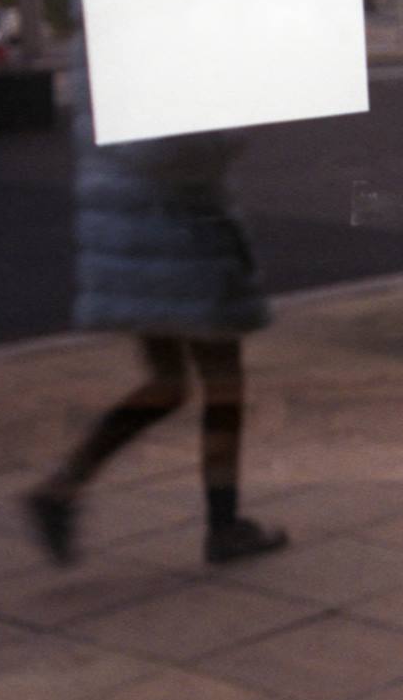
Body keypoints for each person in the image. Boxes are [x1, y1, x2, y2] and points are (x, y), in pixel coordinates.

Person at [27, 31, 287, 567]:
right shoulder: (147, 39)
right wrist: (234, 115)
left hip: (132, 233)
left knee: (168, 384)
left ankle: (63, 487)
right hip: (176, 234)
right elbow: (170, 148)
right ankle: (224, 527)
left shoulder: (103, 30)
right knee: (223, 387)